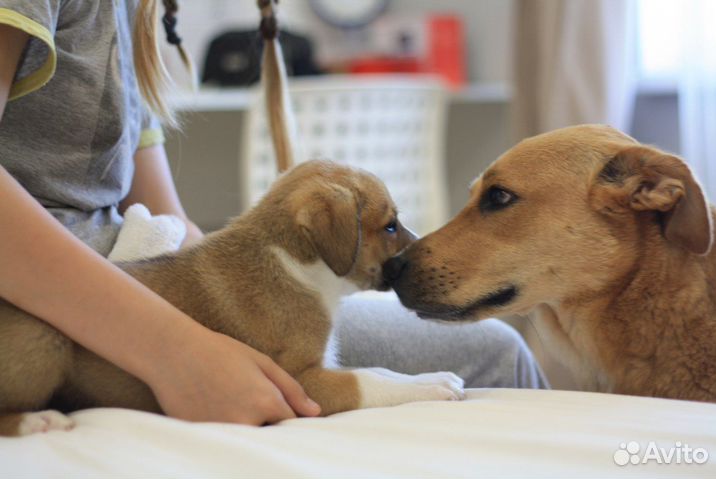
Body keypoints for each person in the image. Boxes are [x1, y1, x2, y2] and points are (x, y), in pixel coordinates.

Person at [0, 0, 546, 428]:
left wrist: (224, 319)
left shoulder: (133, 17)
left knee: (499, 348)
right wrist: (174, 350)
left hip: (136, 285)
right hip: (48, 316)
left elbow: (168, 223)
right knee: (493, 355)